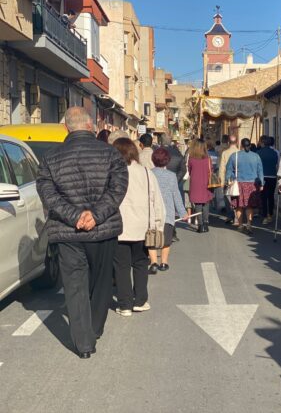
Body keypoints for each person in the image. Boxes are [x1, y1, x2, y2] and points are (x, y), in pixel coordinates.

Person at [37, 107, 129, 359]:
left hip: (68, 232)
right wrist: (95, 215)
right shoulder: (110, 153)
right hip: (103, 230)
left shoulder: (50, 157)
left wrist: (73, 216)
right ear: (91, 126)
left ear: (66, 127)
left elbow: (47, 193)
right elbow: (118, 188)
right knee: (101, 282)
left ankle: (84, 343)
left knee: (74, 285)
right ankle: (95, 328)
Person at [111, 138, 164, 317]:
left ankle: (124, 304)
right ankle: (140, 300)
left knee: (121, 266)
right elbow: (157, 202)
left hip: (119, 227)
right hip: (143, 228)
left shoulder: (112, 173)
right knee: (141, 263)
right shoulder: (147, 173)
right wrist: (158, 224)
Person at [148, 147, 189, 273]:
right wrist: (183, 212)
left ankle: (153, 262)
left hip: (152, 212)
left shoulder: (148, 173)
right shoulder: (171, 176)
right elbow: (176, 195)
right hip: (167, 213)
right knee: (166, 240)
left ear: (153, 160)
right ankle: (164, 263)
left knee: (151, 238)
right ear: (167, 160)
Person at [226, 138, 264, 235]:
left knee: (239, 205)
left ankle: (240, 225)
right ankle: (249, 224)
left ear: (241, 145)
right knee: (249, 206)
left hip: (238, 183)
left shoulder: (234, 156)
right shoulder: (256, 156)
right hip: (252, 184)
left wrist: (229, 179)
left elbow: (229, 170)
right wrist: (262, 183)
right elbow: (260, 171)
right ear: (250, 145)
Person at [188, 140, 214, 233]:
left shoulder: (191, 159)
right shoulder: (208, 159)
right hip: (206, 182)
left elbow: (189, 170)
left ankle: (200, 225)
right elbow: (211, 170)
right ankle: (206, 224)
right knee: (206, 203)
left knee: (198, 204)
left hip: (195, 182)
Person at [257, 136, 279, 224]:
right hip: (272, 177)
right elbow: (276, 164)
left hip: (263, 177)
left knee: (263, 197)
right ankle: (270, 214)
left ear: (263, 143)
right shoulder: (275, 153)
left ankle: (265, 216)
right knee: (271, 196)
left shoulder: (258, 153)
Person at [219, 135, 239, 224]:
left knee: (227, 197)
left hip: (228, 179)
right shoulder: (239, 152)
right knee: (237, 197)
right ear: (237, 142)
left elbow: (222, 168)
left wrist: (221, 180)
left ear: (228, 142)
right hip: (238, 179)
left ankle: (230, 215)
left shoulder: (225, 153)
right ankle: (237, 216)